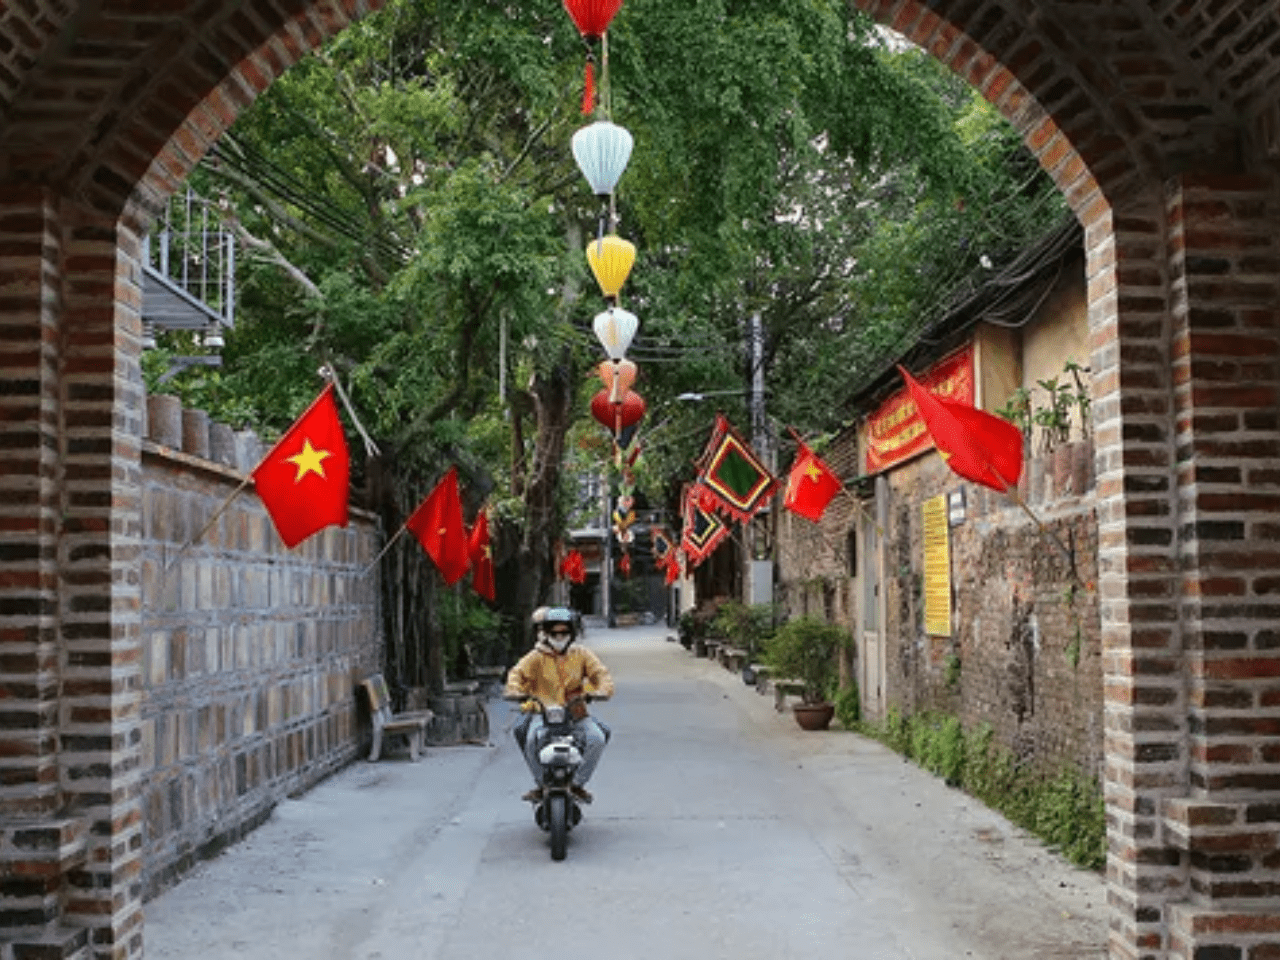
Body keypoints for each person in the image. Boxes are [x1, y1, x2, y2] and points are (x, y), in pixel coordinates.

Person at [504, 606, 614, 804]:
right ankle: (541, 784)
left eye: (564, 632)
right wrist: (515, 691)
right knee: (529, 739)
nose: (559, 636)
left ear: (572, 633)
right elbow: (516, 674)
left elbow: (601, 675)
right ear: (546, 633)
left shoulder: (582, 654)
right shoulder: (535, 657)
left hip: (575, 712)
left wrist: (599, 692)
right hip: (542, 713)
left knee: (597, 737)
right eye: (554, 633)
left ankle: (577, 784)